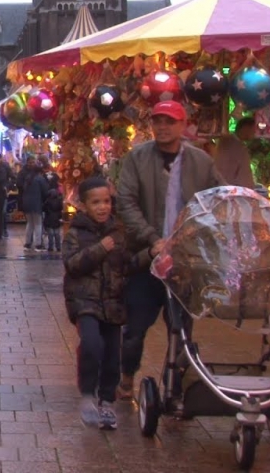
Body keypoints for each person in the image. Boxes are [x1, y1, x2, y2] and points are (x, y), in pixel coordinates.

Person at [115, 100, 224, 399]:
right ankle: (126, 377)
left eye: (169, 121)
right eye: (157, 121)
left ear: (182, 124)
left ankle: (175, 386)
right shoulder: (137, 158)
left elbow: (217, 199)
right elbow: (126, 201)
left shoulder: (201, 161)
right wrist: (152, 239)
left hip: (185, 261)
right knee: (135, 326)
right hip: (147, 259)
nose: (162, 127)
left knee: (181, 329)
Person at [63, 177, 158, 429]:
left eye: (106, 201)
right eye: (96, 202)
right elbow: (72, 265)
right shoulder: (75, 233)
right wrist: (100, 249)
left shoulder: (118, 233)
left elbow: (127, 265)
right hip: (85, 301)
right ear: (83, 205)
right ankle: (87, 394)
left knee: (112, 354)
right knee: (92, 344)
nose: (102, 207)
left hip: (114, 303)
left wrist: (149, 255)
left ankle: (106, 401)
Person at [215, 117, 257, 189]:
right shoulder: (230, 144)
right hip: (231, 189)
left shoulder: (230, 143)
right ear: (245, 128)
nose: (254, 134)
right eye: (253, 131)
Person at [20, 158, 50, 250]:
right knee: (38, 224)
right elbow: (45, 191)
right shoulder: (40, 179)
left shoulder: (28, 178)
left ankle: (27, 243)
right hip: (36, 203)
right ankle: (38, 244)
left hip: (26, 203)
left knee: (30, 223)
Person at [43, 187, 64, 252]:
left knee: (50, 234)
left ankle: (50, 247)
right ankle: (58, 247)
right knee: (57, 234)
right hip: (56, 219)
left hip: (49, 219)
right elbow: (61, 208)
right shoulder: (59, 201)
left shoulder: (47, 202)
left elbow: (43, 208)